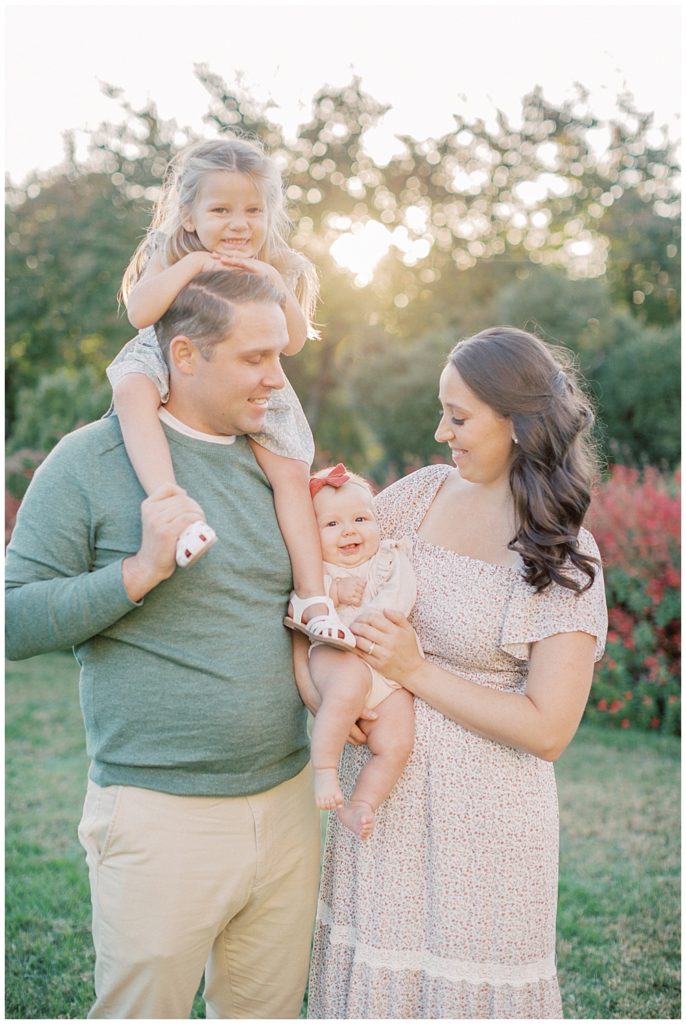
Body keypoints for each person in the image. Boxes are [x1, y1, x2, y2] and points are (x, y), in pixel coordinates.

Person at [5, 271, 322, 1020]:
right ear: (184, 354)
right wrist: (139, 572)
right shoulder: (89, 462)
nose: (277, 379)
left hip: (287, 805)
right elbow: (13, 620)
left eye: (280, 355)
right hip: (158, 817)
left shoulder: (275, 463)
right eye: (255, 359)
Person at [307, 326, 608, 1019]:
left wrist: (414, 670)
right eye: (443, 411)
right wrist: (330, 695)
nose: (442, 431)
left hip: (488, 833)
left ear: (518, 419)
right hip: (382, 812)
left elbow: (550, 728)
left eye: (459, 416)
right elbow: (325, 581)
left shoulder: (560, 548)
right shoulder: (420, 496)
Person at [109, 135, 352, 647]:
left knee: (290, 470)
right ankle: (172, 509)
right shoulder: (172, 249)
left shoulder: (274, 264)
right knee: (133, 393)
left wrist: (269, 277)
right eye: (221, 209)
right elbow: (141, 314)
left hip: (253, 368)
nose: (239, 224)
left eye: (252, 210)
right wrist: (191, 266)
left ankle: (311, 597)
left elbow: (289, 342)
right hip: (165, 350)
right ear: (190, 216)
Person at [300, 464, 416, 840]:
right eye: (331, 525)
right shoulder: (315, 571)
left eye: (360, 518)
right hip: (336, 653)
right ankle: (324, 771)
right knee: (348, 686)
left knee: (397, 741)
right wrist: (331, 595)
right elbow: (297, 608)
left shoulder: (389, 558)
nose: (349, 530)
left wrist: (370, 612)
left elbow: (402, 595)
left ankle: (362, 804)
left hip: (383, 667)